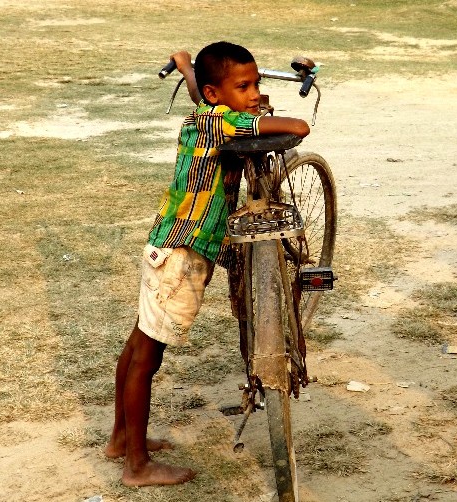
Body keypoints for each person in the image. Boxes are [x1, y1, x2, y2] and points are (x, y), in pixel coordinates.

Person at [104, 41, 310, 487]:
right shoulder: (228, 121)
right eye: (245, 85)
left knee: (138, 345)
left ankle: (121, 438)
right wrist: (264, 114)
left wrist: (186, 67)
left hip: (168, 242)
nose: (255, 93)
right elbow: (298, 125)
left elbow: (209, 99)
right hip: (183, 255)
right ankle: (135, 466)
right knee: (146, 357)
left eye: (257, 84)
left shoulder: (206, 115)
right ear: (219, 93)